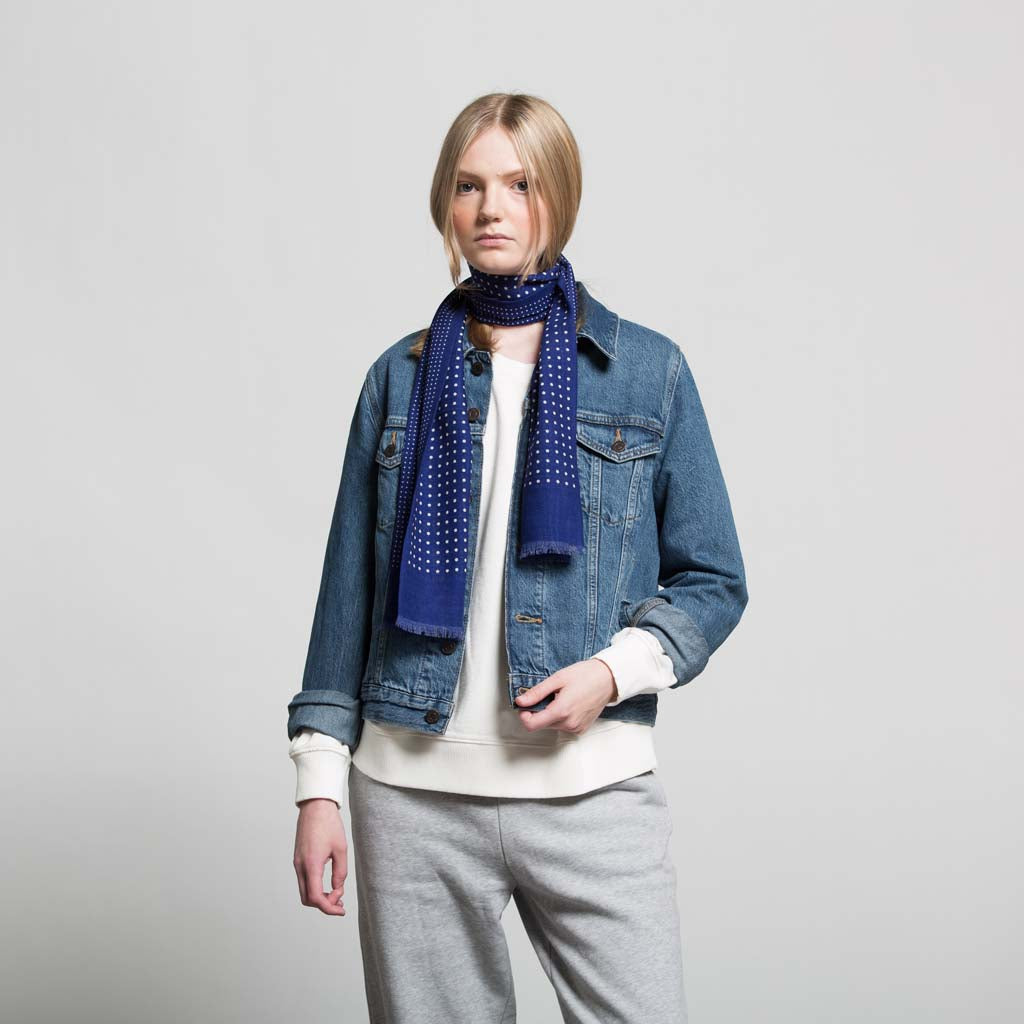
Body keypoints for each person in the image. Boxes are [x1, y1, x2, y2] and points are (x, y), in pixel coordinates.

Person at [286, 92, 748, 1024]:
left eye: (519, 184)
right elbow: (346, 595)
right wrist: (319, 788)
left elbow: (714, 579)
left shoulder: (647, 371)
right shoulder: (398, 376)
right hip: (411, 796)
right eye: (469, 186)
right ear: (445, 202)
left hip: (590, 787)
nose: (491, 208)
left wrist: (613, 674)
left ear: (558, 196)